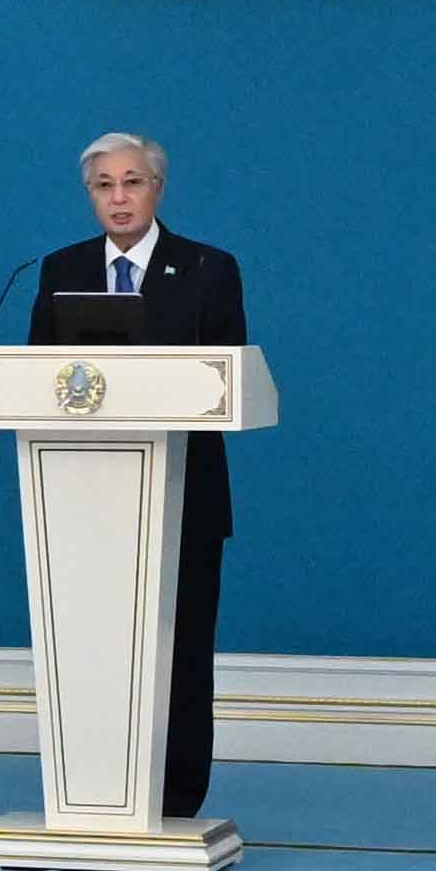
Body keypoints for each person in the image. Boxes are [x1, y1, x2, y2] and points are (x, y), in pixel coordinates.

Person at [52, 125, 254, 816]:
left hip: (184, 492)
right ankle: (93, 789)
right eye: (104, 185)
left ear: (157, 189)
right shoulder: (60, 270)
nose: (118, 198)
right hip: (83, 495)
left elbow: (227, 374)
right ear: (90, 196)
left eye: (132, 182)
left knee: (181, 647)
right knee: (92, 648)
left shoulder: (207, 269)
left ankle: (176, 797)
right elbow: (37, 375)